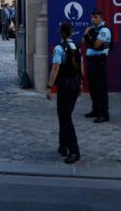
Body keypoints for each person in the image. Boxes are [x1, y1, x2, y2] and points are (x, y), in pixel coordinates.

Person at [46, 21, 83, 164]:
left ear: (61, 33)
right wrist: (80, 83)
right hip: (74, 83)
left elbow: (55, 68)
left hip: (65, 84)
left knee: (65, 117)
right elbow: (81, 67)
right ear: (71, 33)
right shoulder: (77, 47)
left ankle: (74, 151)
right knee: (64, 115)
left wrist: (49, 87)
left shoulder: (59, 48)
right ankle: (63, 145)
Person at [82, 9, 112, 123]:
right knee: (93, 88)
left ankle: (104, 114)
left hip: (99, 62)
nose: (93, 19)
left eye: (95, 17)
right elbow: (83, 42)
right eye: (92, 17)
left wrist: (86, 35)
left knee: (101, 88)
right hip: (91, 62)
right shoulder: (93, 30)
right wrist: (87, 37)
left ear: (101, 18)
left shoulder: (104, 30)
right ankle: (95, 110)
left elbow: (96, 46)